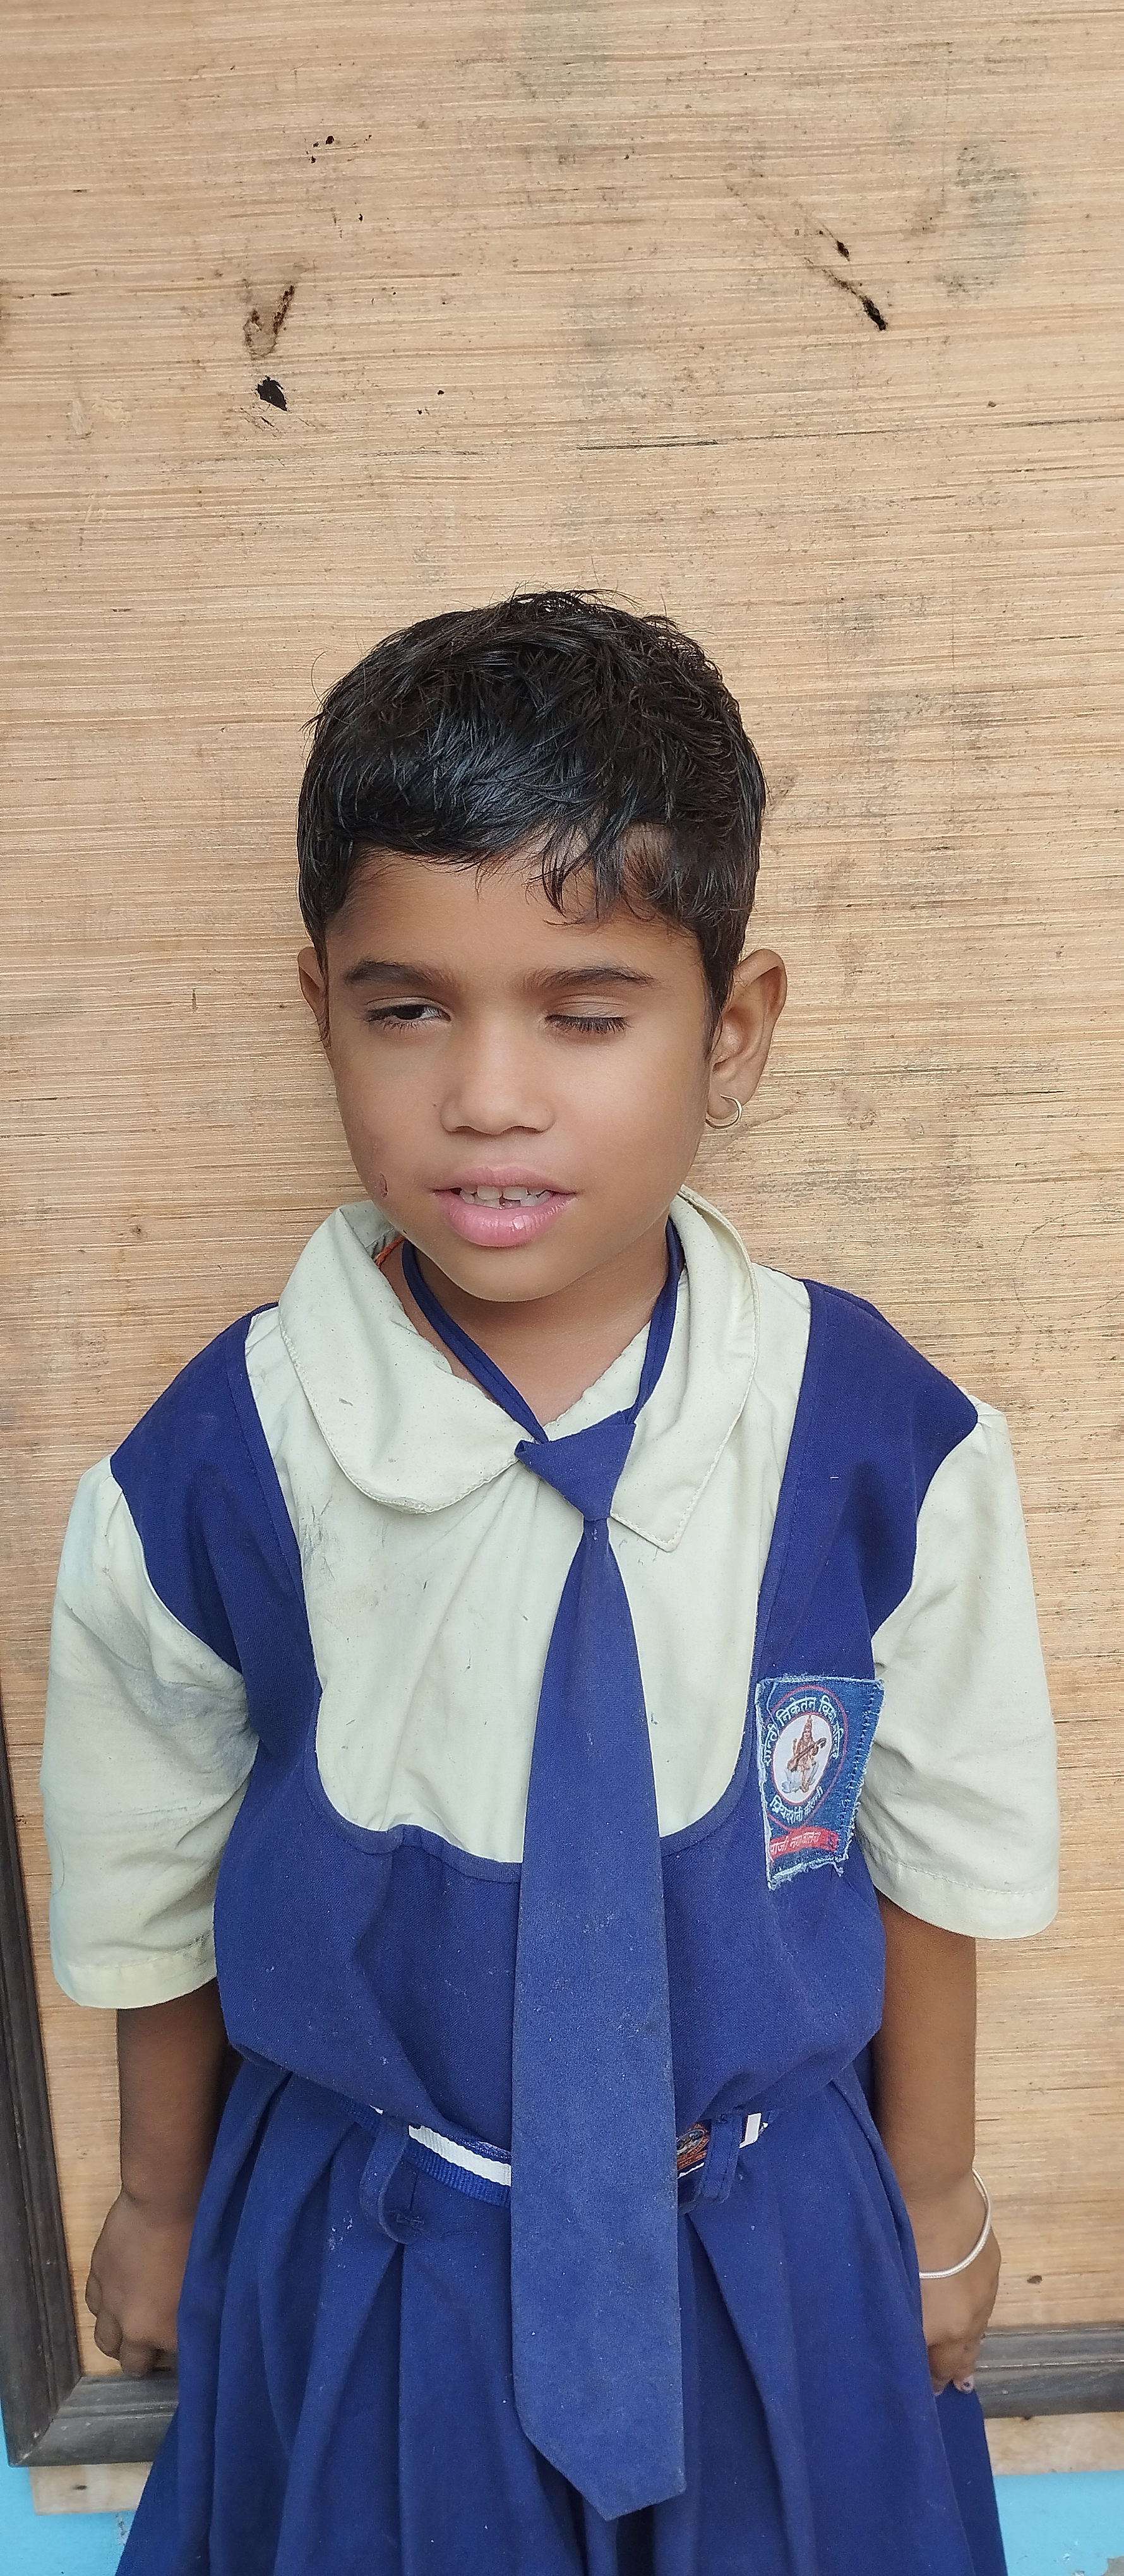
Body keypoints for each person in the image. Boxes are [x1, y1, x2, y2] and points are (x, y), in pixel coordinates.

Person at [40, 594, 1059, 2576]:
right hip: (377, 2260)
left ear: (730, 1032)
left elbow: (932, 1844)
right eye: (405, 1008)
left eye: (584, 1014)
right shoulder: (219, 1468)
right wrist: (161, 2206)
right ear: (317, 1008)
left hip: (772, 2251)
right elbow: (149, 1869)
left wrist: (931, 2200)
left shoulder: (878, 1440)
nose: (488, 1095)